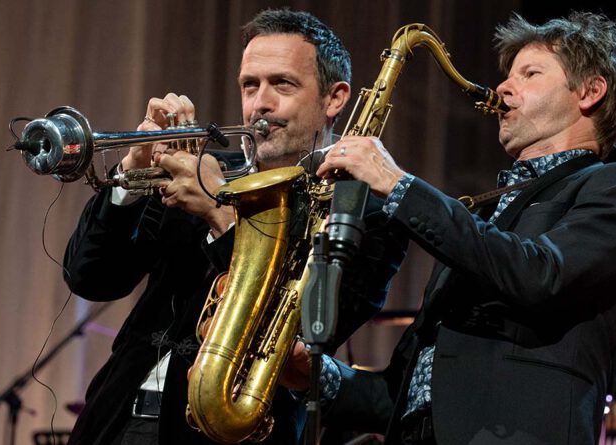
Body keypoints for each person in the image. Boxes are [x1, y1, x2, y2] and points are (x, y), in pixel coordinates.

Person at [283, 11, 616, 445]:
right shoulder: (483, 219)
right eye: (508, 75)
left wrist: (398, 185)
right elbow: (402, 395)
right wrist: (317, 375)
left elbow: (541, 274)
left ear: (590, 92)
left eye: (530, 73)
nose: (503, 86)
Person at [63, 9, 405, 445]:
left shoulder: (367, 214)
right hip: (112, 421)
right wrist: (131, 175)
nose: (260, 102)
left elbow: (295, 338)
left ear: (335, 98)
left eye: (282, 84)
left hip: (229, 431)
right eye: (250, 85)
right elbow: (90, 276)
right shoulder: (210, 169)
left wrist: (218, 213)